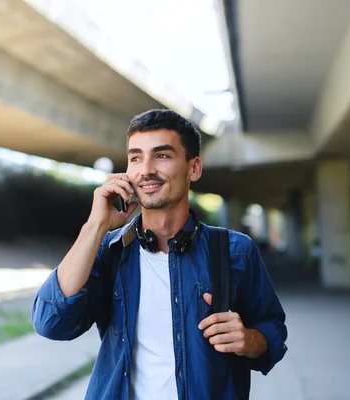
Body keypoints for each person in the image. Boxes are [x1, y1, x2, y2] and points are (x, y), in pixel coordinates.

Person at [32, 109, 287, 399]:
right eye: (136, 157)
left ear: (194, 168)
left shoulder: (235, 250)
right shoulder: (110, 249)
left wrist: (249, 339)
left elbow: (273, 330)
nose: (146, 169)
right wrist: (96, 226)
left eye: (162, 155)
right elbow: (50, 322)